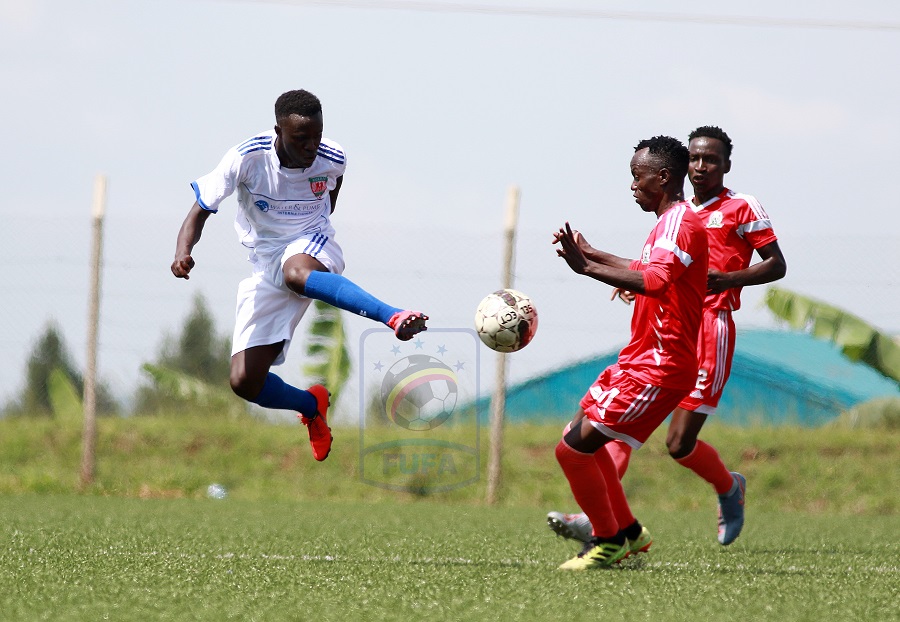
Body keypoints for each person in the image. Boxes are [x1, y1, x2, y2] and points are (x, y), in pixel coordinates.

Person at [548, 126, 787, 548]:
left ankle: (725, 489)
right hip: (662, 333)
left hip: (708, 327)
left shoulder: (736, 207)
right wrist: (594, 255)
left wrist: (726, 279)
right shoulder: (675, 215)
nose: (701, 166)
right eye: (694, 158)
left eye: (710, 159)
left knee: (677, 442)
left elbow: (776, 265)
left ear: (726, 165)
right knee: (611, 430)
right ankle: (607, 522)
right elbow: (650, 270)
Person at [171, 89, 428, 462]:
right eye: (301, 138)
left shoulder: (332, 157)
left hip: (311, 243)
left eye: (317, 136)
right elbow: (199, 211)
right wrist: (183, 252)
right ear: (278, 131)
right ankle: (311, 406)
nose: (311, 147)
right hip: (265, 265)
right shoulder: (246, 158)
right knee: (245, 382)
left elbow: (329, 202)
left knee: (296, 271)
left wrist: (308, 237)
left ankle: (393, 315)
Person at [551, 135, 708, 570]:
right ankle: (630, 532)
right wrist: (592, 252)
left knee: (571, 450)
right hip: (639, 360)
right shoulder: (669, 223)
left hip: (659, 366)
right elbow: (645, 269)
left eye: (638, 176)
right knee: (579, 434)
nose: (633, 185)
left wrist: (587, 269)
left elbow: (654, 282)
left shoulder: (679, 223)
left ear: (664, 177)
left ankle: (607, 541)